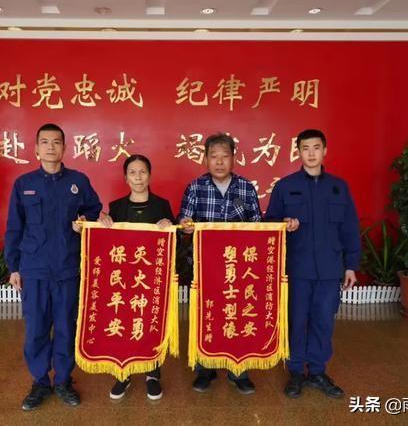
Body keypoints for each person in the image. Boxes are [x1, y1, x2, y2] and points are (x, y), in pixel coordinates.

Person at [4, 123, 102, 410]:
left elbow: (93, 210)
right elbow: (14, 227)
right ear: (36, 149)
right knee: (36, 327)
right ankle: (40, 382)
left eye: (56, 142)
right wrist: (14, 267)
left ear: (64, 148)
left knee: (66, 327)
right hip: (34, 268)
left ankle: (62, 380)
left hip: (67, 267)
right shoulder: (24, 184)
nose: (50, 147)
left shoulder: (78, 181)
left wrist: (83, 221)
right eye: (45, 142)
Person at [263, 129, 360, 399]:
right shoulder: (285, 186)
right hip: (297, 268)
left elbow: (350, 228)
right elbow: (269, 222)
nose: (311, 153)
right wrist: (284, 224)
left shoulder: (339, 187)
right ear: (298, 152)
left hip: (329, 269)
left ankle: (317, 371)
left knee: (323, 321)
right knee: (297, 320)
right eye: (305, 148)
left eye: (316, 147)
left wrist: (351, 265)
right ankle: (295, 371)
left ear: (325, 150)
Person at [178, 132, 265, 395]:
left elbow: (258, 226)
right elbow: (183, 222)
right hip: (204, 267)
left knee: (238, 315)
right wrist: (186, 227)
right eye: (213, 156)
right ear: (205, 159)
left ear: (233, 158)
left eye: (224, 156)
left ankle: (239, 371)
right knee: (205, 316)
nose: (219, 162)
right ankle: (205, 369)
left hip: (239, 269)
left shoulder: (245, 188)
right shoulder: (195, 187)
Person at [98, 154, 175, 401]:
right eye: (133, 172)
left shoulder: (162, 205)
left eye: (142, 172)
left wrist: (169, 224)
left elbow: (174, 239)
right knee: (123, 321)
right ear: (126, 178)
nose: (138, 177)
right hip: (123, 278)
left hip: (152, 278)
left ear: (150, 176)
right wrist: (103, 223)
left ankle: (153, 374)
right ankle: (124, 373)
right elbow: (107, 243)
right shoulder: (116, 207)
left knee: (152, 322)